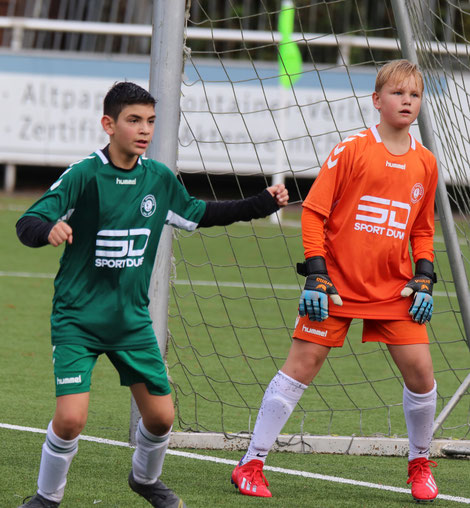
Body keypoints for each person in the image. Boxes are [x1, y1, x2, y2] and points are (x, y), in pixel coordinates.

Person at [16, 81, 289, 508]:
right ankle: (47, 498)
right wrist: (46, 229)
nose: (144, 130)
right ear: (109, 124)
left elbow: (201, 213)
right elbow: (29, 221)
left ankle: (145, 481)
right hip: (78, 319)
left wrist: (260, 203)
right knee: (70, 420)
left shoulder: (158, 179)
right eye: (134, 120)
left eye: (150, 121)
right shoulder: (85, 175)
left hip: (131, 321)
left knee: (162, 418)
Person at [231, 59, 439, 503]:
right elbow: (314, 213)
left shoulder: (426, 163)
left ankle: (420, 463)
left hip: (393, 290)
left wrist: (423, 275)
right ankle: (251, 462)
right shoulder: (353, 149)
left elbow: (422, 228)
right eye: (397, 93)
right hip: (337, 286)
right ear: (376, 100)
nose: (406, 101)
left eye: (414, 94)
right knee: (301, 366)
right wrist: (317, 275)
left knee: (421, 374)